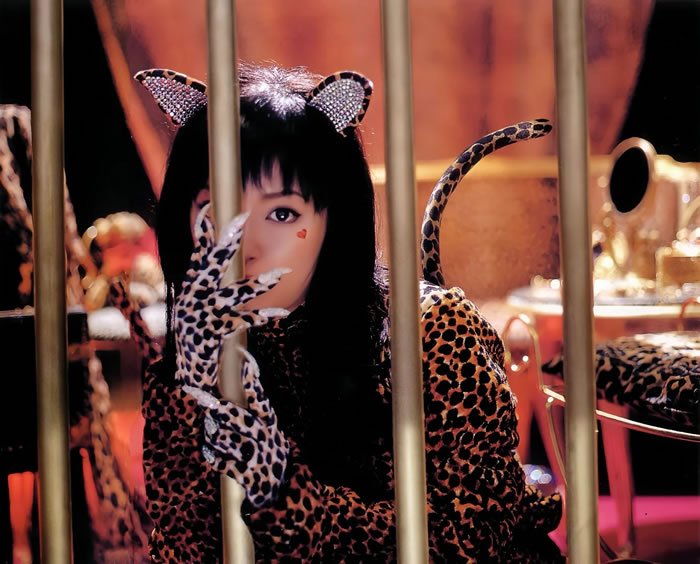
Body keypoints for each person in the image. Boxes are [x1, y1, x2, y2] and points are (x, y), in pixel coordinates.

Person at [132, 63, 563, 562]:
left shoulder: (430, 330)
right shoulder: (191, 361)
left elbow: (474, 529)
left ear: (332, 219)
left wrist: (293, 501)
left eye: (281, 213)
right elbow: (181, 541)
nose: (242, 244)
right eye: (215, 208)